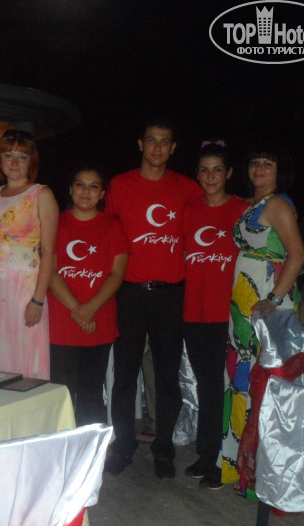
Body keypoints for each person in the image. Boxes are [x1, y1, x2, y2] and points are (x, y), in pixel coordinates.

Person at [103, 120, 203, 477]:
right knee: (125, 374)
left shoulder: (187, 188)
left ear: (173, 149)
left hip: (170, 295)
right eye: (151, 140)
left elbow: (212, 215)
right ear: (140, 144)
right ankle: (123, 445)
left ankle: (164, 449)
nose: (158, 148)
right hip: (129, 292)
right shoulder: (120, 185)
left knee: (166, 376)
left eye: (165, 142)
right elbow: (105, 233)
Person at [221, 144, 304, 496]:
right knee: (243, 377)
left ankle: (258, 476)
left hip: (265, 302)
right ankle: (241, 468)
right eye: (254, 162)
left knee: (261, 382)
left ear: (279, 170)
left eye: (267, 163)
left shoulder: (277, 205)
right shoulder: (257, 203)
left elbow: (297, 255)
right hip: (247, 301)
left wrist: (273, 299)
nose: (259, 168)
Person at [182, 142, 249, 489]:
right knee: (209, 386)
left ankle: (229, 461)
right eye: (204, 170)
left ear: (229, 173)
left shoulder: (243, 210)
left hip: (231, 314)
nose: (210, 176)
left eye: (217, 170)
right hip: (195, 313)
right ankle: (208, 455)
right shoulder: (188, 211)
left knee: (231, 388)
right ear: (197, 174)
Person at [48, 166, 128, 425]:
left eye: (94, 186)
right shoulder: (54, 223)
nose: (86, 191)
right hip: (61, 323)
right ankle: (62, 447)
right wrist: (79, 311)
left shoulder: (113, 227)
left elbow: (116, 274)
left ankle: (92, 447)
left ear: (102, 193)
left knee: (92, 391)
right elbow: (50, 272)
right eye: (80, 184)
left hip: (98, 322)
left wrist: (90, 309)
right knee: (61, 392)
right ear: (71, 189)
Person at [0, 129, 59, 380]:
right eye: (8, 155)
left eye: (22, 157)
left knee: (25, 356)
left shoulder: (41, 194)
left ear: (31, 161)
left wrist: (38, 300)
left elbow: (49, 252)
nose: (14, 163)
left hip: (25, 290)